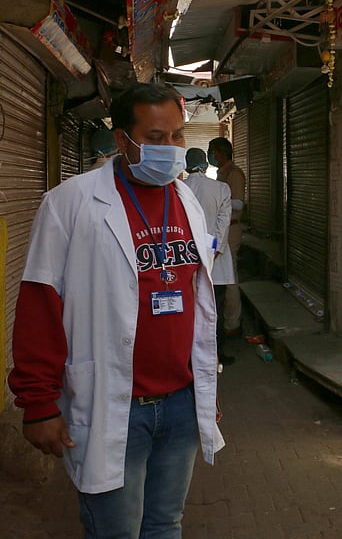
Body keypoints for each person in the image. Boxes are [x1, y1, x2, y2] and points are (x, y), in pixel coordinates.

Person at [7, 83, 225, 537]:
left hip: (181, 401)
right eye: (156, 138)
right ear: (122, 139)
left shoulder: (187, 201)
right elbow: (39, 306)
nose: (171, 149)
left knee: (166, 524)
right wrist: (38, 402)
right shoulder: (70, 203)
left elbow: (198, 305)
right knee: (115, 531)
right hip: (115, 405)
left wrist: (205, 393)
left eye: (178, 137)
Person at [184, 147, 236, 365]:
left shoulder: (179, 189)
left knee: (190, 310)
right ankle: (216, 355)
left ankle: (190, 357)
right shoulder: (221, 188)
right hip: (217, 259)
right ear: (206, 164)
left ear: (185, 165)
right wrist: (213, 249)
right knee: (215, 310)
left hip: (187, 259)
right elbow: (223, 223)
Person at [207, 136, 245, 342]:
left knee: (230, 279)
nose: (210, 155)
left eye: (212, 151)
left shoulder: (234, 174)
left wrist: (217, 202)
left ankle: (233, 323)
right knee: (222, 276)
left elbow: (238, 204)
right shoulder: (221, 174)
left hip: (230, 231)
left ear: (221, 152)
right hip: (220, 231)